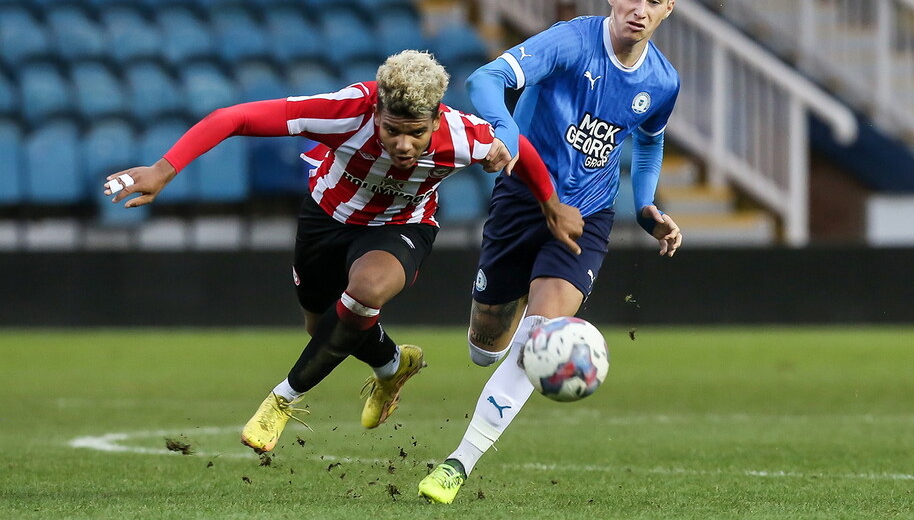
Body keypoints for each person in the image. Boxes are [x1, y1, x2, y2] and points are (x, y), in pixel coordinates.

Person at [104, 50, 583, 454]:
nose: (402, 144)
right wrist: (163, 169)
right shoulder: (343, 112)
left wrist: (551, 205)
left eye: (415, 132)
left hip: (403, 226)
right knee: (323, 325)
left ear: (436, 119)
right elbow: (236, 118)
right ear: (376, 112)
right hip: (326, 221)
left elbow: (519, 147)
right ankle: (394, 366)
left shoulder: (464, 136)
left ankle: (282, 400)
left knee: (364, 293)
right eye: (391, 129)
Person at [417, 0, 690, 504]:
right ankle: (516, 340)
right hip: (521, 199)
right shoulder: (570, 42)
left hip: (584, 218)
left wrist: (644, 208)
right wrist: (509, 136)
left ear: (669, 9)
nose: (639, 9)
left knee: (536, 338)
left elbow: (650, 141)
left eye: (653, 1)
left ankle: (457, 464)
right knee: (484, 344)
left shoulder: (661, 82)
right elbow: (486, 80)